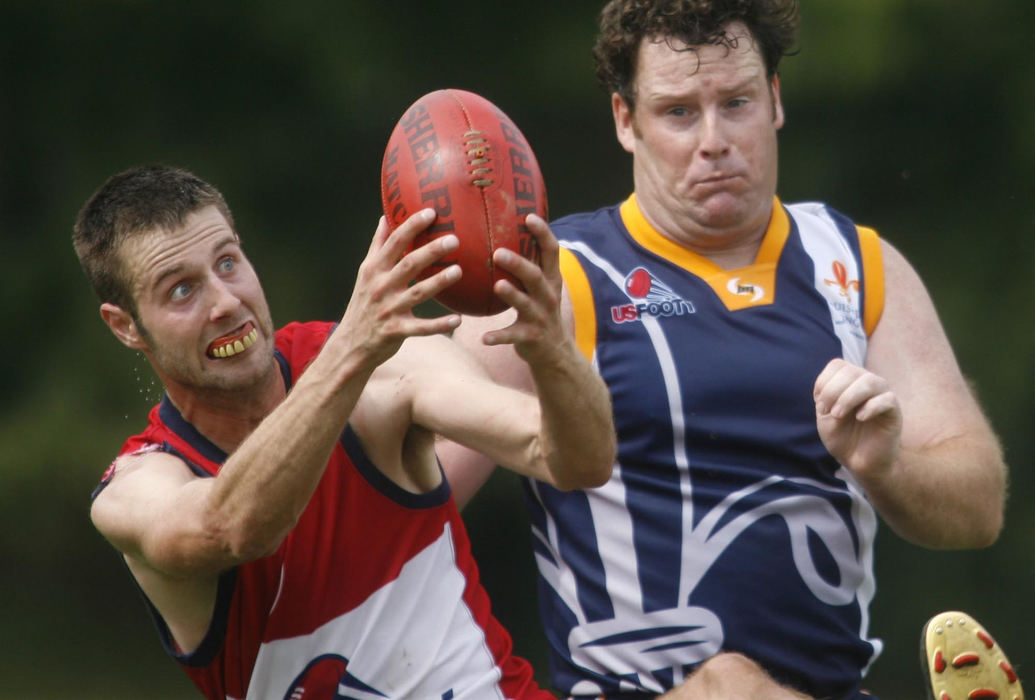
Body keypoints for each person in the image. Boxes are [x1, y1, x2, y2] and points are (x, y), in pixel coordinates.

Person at [437, 1, 1009, 698]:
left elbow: (978, 509)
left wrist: (887, 466)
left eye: (734, 102)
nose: (713, 140)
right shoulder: (557, 280)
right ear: (626, 121)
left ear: (773, 101)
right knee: (727, 684)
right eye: (678, 112)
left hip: (829, 685)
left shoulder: (856, 265)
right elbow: (399, 495)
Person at [74, 164, 616, 699]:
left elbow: (580, 462)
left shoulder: (385, 368)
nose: (225, 303)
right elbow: (234, 526)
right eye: (181, 291)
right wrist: (352, 349)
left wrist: (552, 352)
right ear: (124, 326)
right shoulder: (135, 489)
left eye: (228, 263)